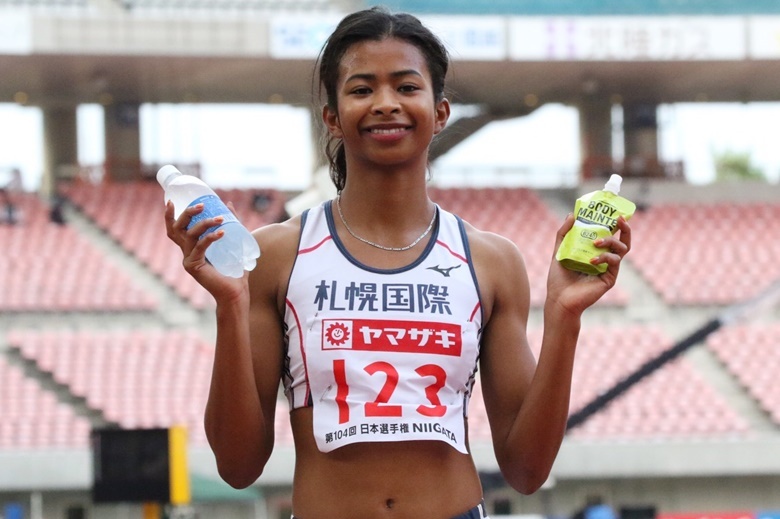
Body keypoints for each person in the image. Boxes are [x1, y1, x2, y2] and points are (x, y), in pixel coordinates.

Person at [163, 7, 631, 519]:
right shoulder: (278, 254)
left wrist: (564, 317)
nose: (386, 104)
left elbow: (526, 470)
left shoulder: (492, 261)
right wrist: (230, 304)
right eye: (362, 90)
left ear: (441, 110)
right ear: (333, 116)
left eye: (407, 87)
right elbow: (237, 465)